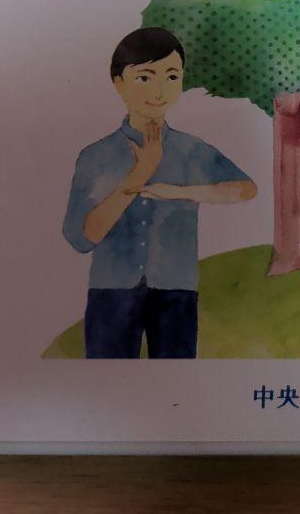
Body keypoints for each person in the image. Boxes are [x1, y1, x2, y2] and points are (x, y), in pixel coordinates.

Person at [63, 27, 256, 358]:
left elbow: (245, 189)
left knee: (176, 379)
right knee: (106, 379)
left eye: (171, 76)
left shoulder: (191, 150)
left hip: (176, 288)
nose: (159, 90)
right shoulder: (96, 156)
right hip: (111, 290)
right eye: (144, 77)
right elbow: (81, 238)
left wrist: (180, 192)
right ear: (118, 82)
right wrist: (140, 174)